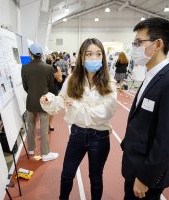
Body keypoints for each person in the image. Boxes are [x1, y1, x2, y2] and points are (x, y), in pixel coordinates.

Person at [121, 17, 169, 200]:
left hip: (146, 175)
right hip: (135, 164)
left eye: (139, 42)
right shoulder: (152, 75)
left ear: (158, 44)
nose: (134, 47)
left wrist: (146, 177)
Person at [40, 38, 117, 200]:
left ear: (102, 57)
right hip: (77, 135)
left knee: (95, 177)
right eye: (89, 54)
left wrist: (74, 106)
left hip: (100, 137)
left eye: (98, 54)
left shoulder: (109, 83)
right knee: (67, 174)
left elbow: (105, 113)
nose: (94, 58)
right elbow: (61, 101)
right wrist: (49, 100)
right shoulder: (72, 80)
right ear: (82, 57)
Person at [21, 43, 59, 162]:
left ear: (30, 54)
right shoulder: (48, 68)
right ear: (41, 54)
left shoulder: (25, 67)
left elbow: (25, 86)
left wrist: (32, 92)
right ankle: (45, 153)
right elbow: (51, 85)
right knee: (43, 127)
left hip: (31, 100)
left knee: (30, 125)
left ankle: (31, 148)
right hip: (45, 101)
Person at [46, 54, 62, 131]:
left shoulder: (57, 68)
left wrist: (56, 76)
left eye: (50, 57)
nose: (48, 58)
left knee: (52, 107)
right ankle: (45, 123)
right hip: (45, 89)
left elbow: (60, 80)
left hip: (54, 89)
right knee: (45, 106)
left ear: (53, 59)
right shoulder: (43, 68)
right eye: (47, 57)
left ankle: (50, 123)